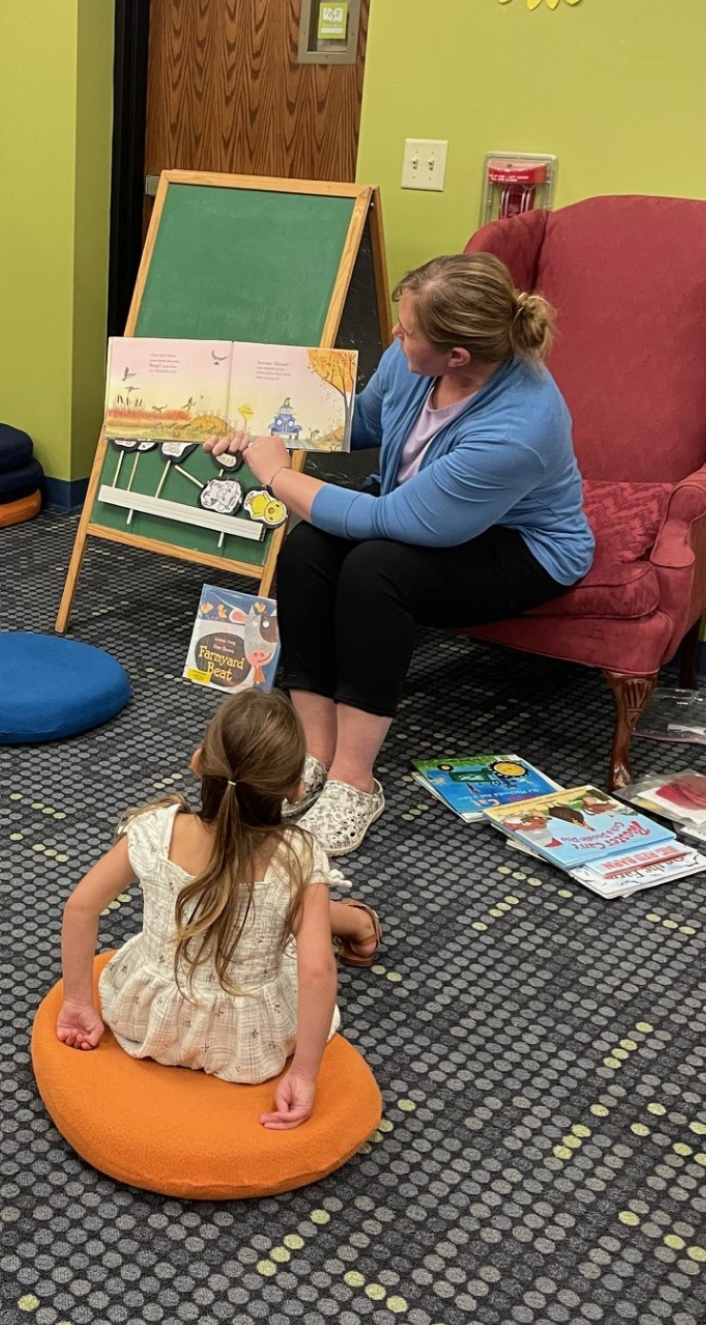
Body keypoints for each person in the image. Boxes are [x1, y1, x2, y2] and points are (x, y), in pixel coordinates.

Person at [207, 253, 594, 855]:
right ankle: (314, 748)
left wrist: (277, 476)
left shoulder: (520, 427)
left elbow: (390, 521)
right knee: (308, 545)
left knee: (376, 570)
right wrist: (253, 425)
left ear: (456, 355)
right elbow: (359, 420)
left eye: (407, 330)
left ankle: (353, 780)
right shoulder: (411, 361)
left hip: (523, 547)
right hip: (423, 512)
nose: (394, 333)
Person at [56, 690, 381, 1129]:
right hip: (246, 1040)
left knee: (290, 905)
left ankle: (352, 920)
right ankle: (358, 923)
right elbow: (316, 972)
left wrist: (78, 1001)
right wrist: (304, 1075)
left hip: (148, 1020)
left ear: (198, 762)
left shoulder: (155, 829)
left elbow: (80, 908)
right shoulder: (298, 856)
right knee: (300, 908)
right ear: (295, 790)